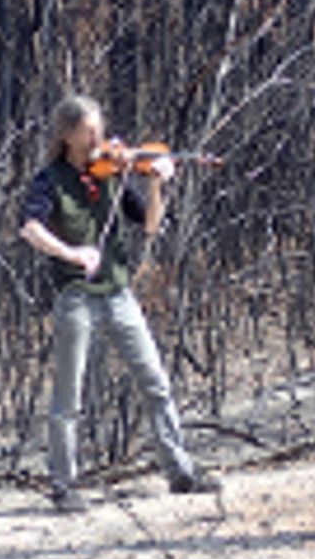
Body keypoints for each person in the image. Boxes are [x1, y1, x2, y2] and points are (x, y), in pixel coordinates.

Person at [19, 94, 219, 513]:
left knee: (155, 381)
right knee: (68, 396)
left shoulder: (114, 172)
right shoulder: (49, 180)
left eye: (99, 128)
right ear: (67, 134)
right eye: (88, 131)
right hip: (76, 296)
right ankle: (63, 485)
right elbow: (30, 229)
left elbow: (148, 225)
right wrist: (72, 254)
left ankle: (180, 471)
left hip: (118, 292)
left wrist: (154, 182)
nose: (99, 138)